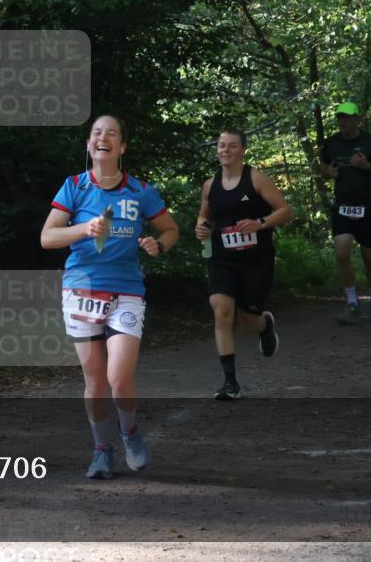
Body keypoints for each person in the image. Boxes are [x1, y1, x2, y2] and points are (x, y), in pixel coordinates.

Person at [40, 115, 179, 480]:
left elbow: (170, 229)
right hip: (82, 290)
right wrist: (83, 228)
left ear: (121, 147)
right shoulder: (74, 187)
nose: (103, 138)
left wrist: (158, 243)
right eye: (96, 133)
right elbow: (47, 237)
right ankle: (102, 449)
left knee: (118, 377)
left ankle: (129, 433)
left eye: (112, 133)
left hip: (126, 290)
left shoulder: (140, 191)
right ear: (89, 145)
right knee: (96, 382)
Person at [194, 128, 293, 400]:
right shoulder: (209, 185)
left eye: (231, 146)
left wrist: (259, 223)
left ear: (242, 150)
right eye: (221, 145)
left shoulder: (256, 179)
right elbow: (204, 218)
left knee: (248, 322)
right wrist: (202, 229)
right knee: (221, 311)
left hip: (255, 260)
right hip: (223, 259)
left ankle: (264, 325)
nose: (225, 150)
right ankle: (230, 382)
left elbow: (285, 211)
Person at [319, 102, 371, 324]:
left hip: (369, 207)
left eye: (347, 117)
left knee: (369, 257)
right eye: (339, 117)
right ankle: (352, 303)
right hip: (342, 207)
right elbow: (322, 166)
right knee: (342, 253)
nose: (342, 121)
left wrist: (368, 167)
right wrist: (328, 172)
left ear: (357, 119)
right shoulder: (331, 143)